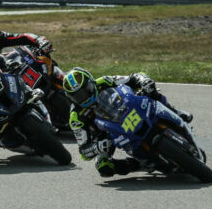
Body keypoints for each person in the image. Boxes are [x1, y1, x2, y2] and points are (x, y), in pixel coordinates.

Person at [62, 67, 194, 177]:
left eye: (86, 90)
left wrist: (145, 81)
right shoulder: (76, 117)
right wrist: (97, 147)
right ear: (71, 98)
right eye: (78, 96)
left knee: (150, 91)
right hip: (107, 134)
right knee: (103, 167)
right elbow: (84, 151)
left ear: (91, 82)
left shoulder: (105, 81)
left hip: (126, 109)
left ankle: (175, 112)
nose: (84, 96)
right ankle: (139, 165)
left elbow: (134, 77)